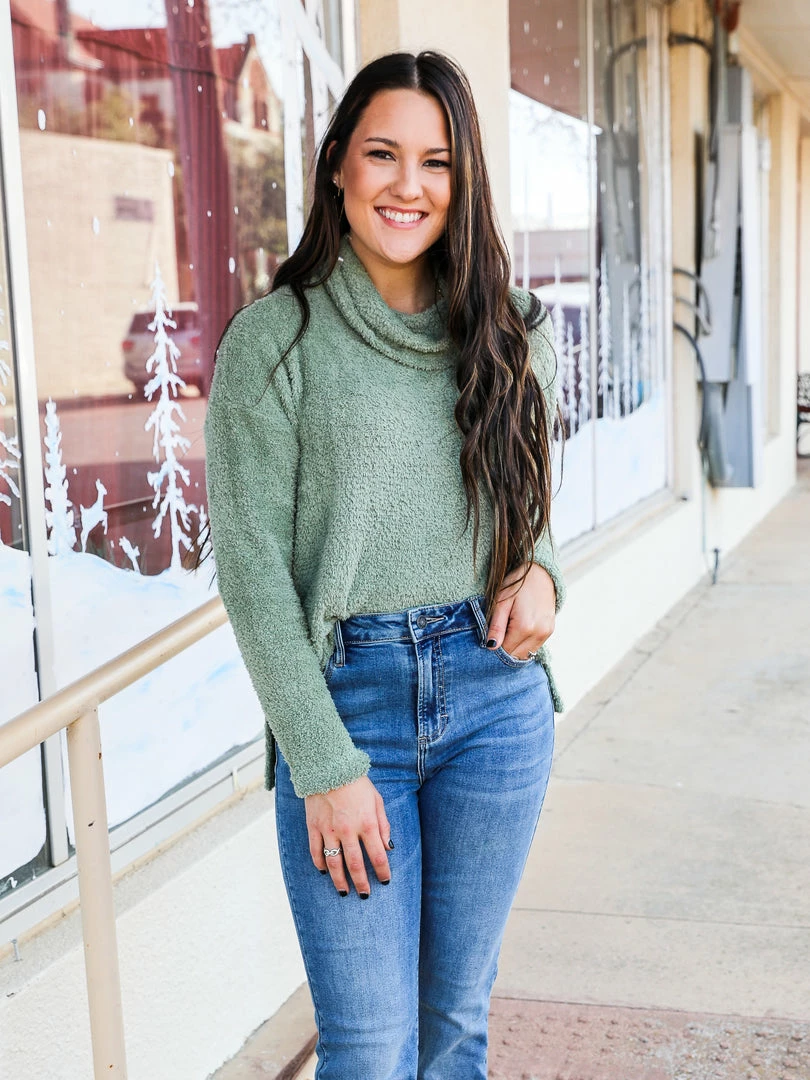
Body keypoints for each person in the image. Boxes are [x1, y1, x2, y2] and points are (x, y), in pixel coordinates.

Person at [204, 49, 566, 1080]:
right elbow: (254, 575)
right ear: (336, 170)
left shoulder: (504, 328)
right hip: (346, 705)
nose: (409, 185)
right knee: (368, 1049)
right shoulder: (275, 346)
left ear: (464, 182)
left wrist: (540, 575)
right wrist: (322, 765)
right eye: (382, 154)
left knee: (454, 1025)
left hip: (495, 704)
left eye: (437, 162)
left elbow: (531, 499)